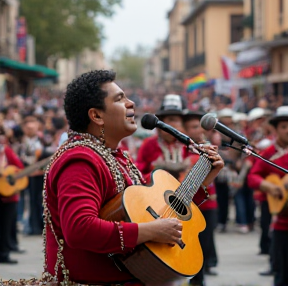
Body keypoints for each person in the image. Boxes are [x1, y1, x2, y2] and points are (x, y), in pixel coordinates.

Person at [43, 70, 224, 285]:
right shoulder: (80, 160)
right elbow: (80, 228)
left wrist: (202, 179)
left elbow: (158, 210)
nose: (131, 104)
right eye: (120, 99)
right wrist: (152, 231)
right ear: (97, 116)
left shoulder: (117, 157)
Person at [247, 106, 288, 286]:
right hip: (280, 217)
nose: (287, 131)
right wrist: (268, 186)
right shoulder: (269, 152)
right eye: (283, 127)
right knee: (281, 268)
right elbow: (253, 176)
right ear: (275, 129)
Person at [183, 111, 219, 286]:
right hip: (186, 205)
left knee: (205, 241)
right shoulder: (183, 150)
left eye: (199, 126)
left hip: (207, 203)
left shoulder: (207, 148)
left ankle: (201, 275)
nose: (198, 130)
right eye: (193, 127)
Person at [0, 127, 25, 264]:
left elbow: (19, 167)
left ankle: (4, 254)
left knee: (6, 226)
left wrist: (7, 174)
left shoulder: (6, 151)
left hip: (7, 195)